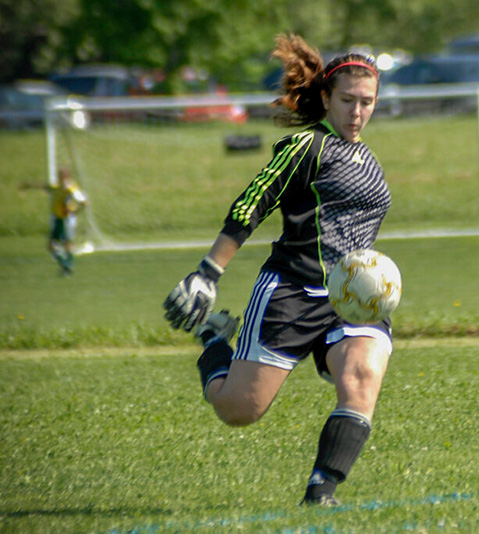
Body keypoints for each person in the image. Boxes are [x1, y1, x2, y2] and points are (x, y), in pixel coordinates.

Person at [163, 33, 392, 507]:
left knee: (362, 377)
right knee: (239, 411)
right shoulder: (305, 147)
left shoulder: (367, 160)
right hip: (291, 291)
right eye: (347, 100)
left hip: (350, 299)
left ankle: (321, 493)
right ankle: (212, 340)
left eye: (366, 103)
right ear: (326, 98)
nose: (356, 112)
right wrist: (208, 272)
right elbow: (252, 204)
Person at [20, 167, 88, 275]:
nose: (59, 177)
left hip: (66, 220)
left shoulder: (71, 189)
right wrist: (28, 185)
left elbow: (84, 202)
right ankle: (66, 265)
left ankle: (67, 265)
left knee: (66, 243)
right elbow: (44, 186)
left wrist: (74, 211)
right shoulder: (56, 187)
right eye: (59, 175)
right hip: (57, 219)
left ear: (67, 176)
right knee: (51, 245)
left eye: (61, 175)